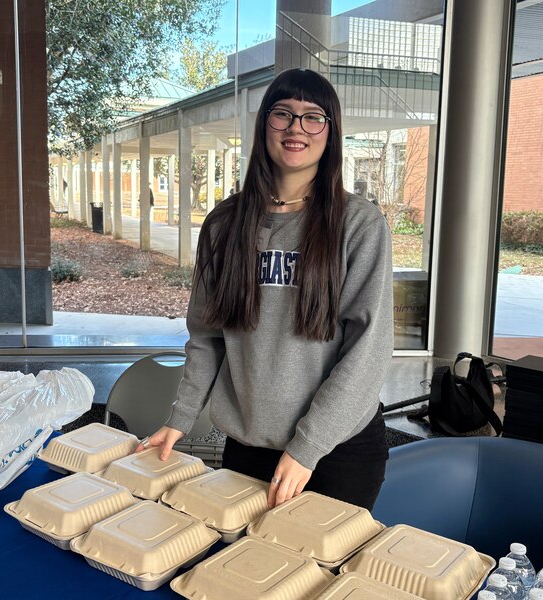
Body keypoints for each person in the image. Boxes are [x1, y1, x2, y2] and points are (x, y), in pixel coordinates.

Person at [137, 68, 393, 510]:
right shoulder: (224, 225)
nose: (297, 128)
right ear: (264, 126)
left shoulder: (359, 225)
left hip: (335, 450)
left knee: (317, 574)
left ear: (330, 133)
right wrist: (180, 418)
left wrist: (306, 448)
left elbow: (366, 352)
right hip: (248, 445)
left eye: (314, 117)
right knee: (246, 570)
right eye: (283, 114)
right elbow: (207, 337)